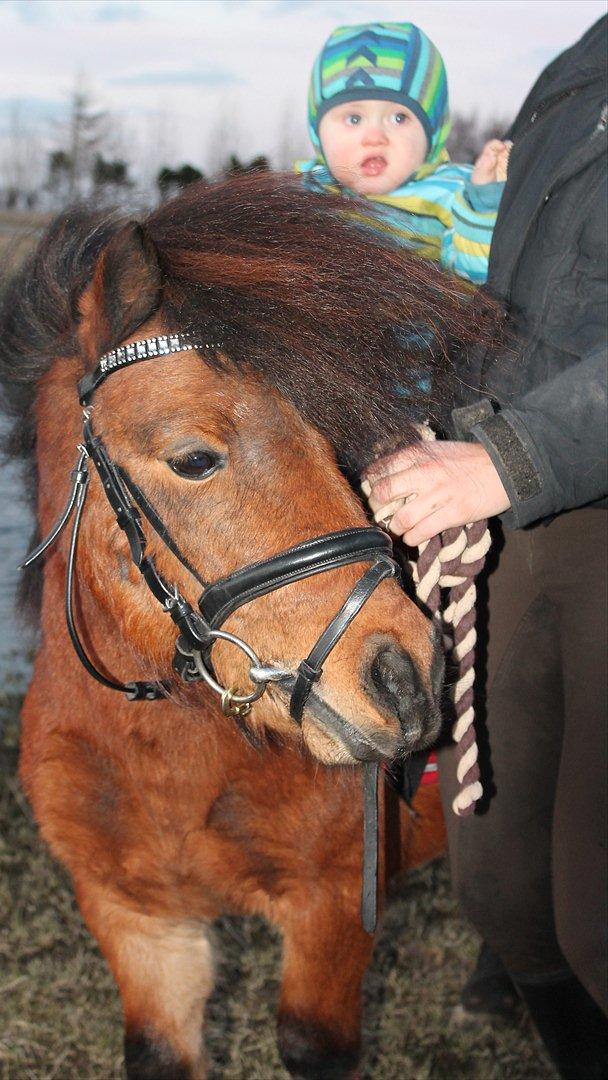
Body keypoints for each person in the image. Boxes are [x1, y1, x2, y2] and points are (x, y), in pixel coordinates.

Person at [364, 15, 608, 1079]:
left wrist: (509, 456)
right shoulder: (574, 70)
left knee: (600, 913)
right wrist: (443, 424)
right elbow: (509, 302)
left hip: (560, 485)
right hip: (521, 516)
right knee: (501, 887)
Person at [297, 21, 509, 284]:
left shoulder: (451, 195)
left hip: (418, 320)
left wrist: (483, 203)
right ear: (319, 134)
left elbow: (479, 277)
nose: (374, 138)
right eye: (353, 119)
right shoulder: (302, 196)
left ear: (432, 132)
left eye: (399, 118)